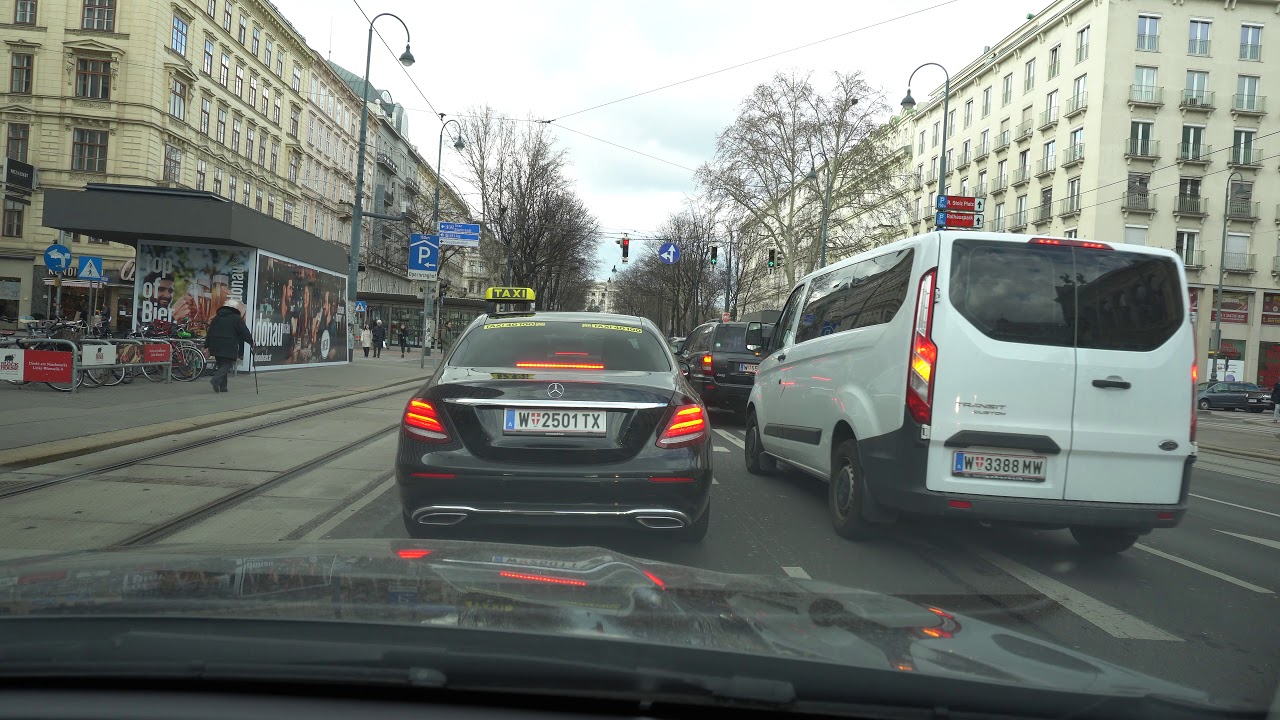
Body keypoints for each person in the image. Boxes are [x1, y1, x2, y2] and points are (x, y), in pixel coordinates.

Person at [204, 300, 253, 393]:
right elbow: (244, 331)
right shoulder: (236, 318)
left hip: (216, 345)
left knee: (222, 364)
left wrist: (207, 345)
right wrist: (251, 341)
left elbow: (209, 332)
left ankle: (223, 387)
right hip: (229, 344)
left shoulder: (217, 317)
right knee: (227, 364)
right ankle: (216, 379)